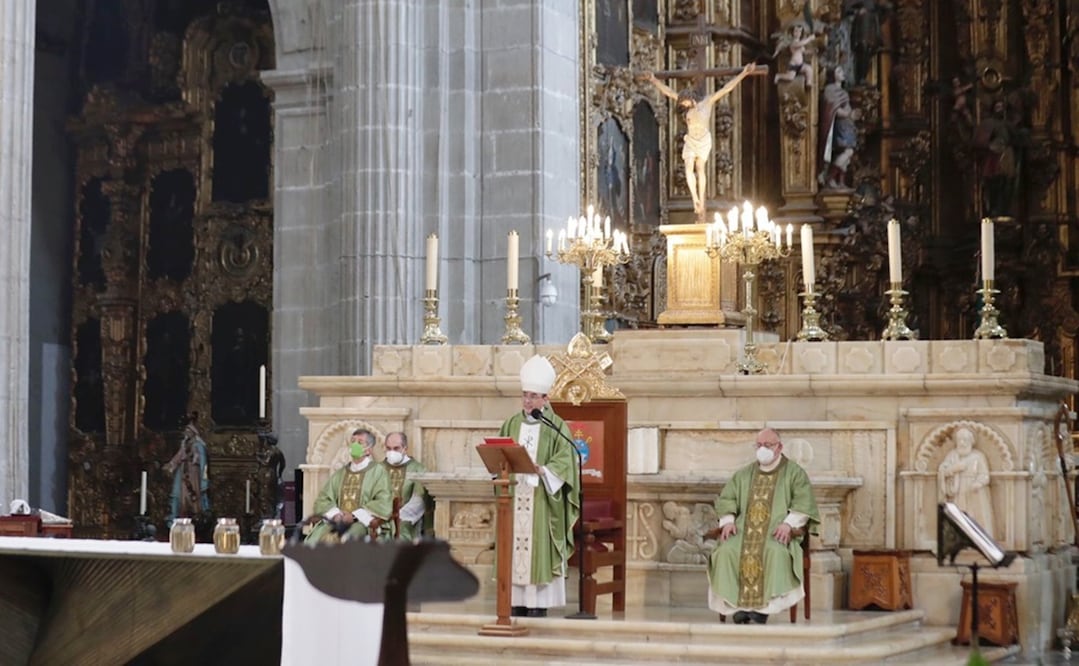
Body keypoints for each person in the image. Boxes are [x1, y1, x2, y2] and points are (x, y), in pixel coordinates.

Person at [707, 428, 819, 624]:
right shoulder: (743, 474)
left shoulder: (794, 473)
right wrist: (728, 522)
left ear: (779, 447)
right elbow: (727, 498)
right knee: (726, 552)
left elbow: (803, 503)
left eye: (768, 445)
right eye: (759, 445)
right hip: (742, 531)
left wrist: (788, 524)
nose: (763, 449)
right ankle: (739, 608)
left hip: (777, 532)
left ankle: (763, 609)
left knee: (774, 552)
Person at [498, 354, 581, 618]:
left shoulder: (555, 426)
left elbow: (567, 460)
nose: (527, 401)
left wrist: (543, 469)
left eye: (533, 396)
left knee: (536, 548)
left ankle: (538, 603)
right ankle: (514, 601)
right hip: (514, 495)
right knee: (513, 549)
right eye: (524, 395)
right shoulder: (511, 423)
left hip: (541, 497)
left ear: (545, 399)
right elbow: (499, 452)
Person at [643, 63, 757, 216]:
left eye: (684, 102)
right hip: (691, 140)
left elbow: (726, 89)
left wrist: (743, 74)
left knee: (700, 168)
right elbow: (669, 92)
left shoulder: (707, 103)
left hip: (703, 140)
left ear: (690, 98)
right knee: (688, 167)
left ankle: (701, 199)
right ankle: (695, 198)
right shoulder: (687, 108)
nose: (683, 105)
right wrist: (653, 80)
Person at [305, 428, 394, 543]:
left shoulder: (378, 472)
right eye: (353, 441)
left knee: (345, 538)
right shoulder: (340, 473)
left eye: (360, 442)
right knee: (315, 539)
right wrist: (336, 514)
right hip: (338, 521)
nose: (354, 445)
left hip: (362, 523)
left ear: (369, 450)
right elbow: (323, 499)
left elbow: (383, 502)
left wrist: (354, 516)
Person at [937, 426, 995, 534]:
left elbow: (984, 474)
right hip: (958, 492)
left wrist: (978, 483)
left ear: (971, 441)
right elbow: (943, 472)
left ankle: (979, 539)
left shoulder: (978, 456)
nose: (962, 443)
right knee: (959, 515)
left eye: (965, 440)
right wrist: (954, 469)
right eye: (960, 440)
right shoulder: (952, 455)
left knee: (976, 516)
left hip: (975, 493)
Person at [381, 431, 430, 540]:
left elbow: (418, 500)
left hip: (404, 519)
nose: (391, 452)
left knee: (400, 531)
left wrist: (397, 516)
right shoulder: (378, 468)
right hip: (380, 517)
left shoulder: (418, 469)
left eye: (396, 448)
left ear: (405, 449)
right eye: (388, 448)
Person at [819, 64, 860, 190]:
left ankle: (840, 181)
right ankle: (830, 178)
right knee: (848, 152)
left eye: (842, 70)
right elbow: (833, 109)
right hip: (840, 126)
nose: (842, 72)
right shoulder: (830, 90)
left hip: (847, 125)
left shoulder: (843, 91)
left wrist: (853, 115)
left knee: (846, 156)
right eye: (839, 71)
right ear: (832, 75)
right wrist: (848, 114)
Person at [166, 417, 210, 526]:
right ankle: (177, 515)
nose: (187, 433)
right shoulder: (185, 443)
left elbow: (203, 461)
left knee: (193, 493)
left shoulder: (198, 445)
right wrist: (171, 465)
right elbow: (179, 456)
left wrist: (194, 459)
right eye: (186, 431)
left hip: (194, 473)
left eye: (189, 431)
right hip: (183, 471)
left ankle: (196, 516)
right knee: (178, 492)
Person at [255, 430, 286, 518]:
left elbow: (265, 462)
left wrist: (258, 458)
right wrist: (280, 474)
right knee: (271, 495)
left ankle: (267, 515)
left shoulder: (270, 451)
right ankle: (271, 514)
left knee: (265, 495)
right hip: (273, 473)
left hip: (267, 473)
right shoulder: (278, 451)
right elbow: (283, 464)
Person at [772, 23, 815, 87]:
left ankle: (808, 83)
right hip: (794, 64)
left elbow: (803, 51)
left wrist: (810, 52)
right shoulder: (793, 43)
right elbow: (800, 44)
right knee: (790, 77)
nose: (798, 33)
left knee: (809, 69)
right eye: (796, 31)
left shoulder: (800, 44)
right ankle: (778, 76)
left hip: (800, 65)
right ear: (792, 32)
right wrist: (809, 39)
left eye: (800, 31)